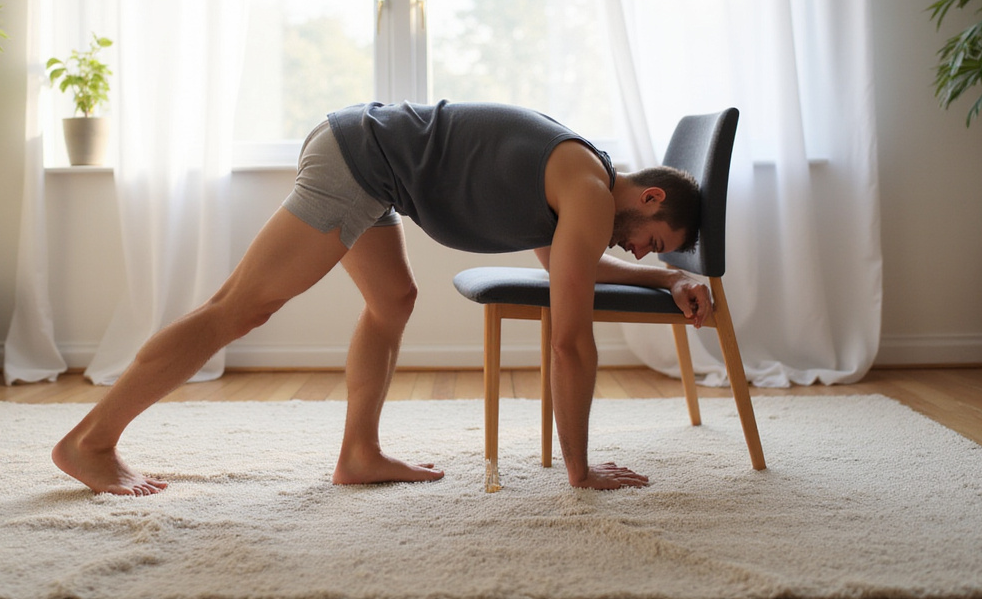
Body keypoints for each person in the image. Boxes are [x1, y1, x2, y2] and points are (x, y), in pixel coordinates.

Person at [53, 100, 713, 496]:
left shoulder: (583, 180)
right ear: (650, 197)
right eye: (656, 243)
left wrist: (669, 280)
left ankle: (358, 456)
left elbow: (572, 269)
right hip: (360, 161)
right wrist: (581, 468)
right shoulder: (591, 194)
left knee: (393, 299)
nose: (641, 253)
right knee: (240, 308)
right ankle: (93, 442)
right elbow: (570, 339)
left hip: (371, 161)